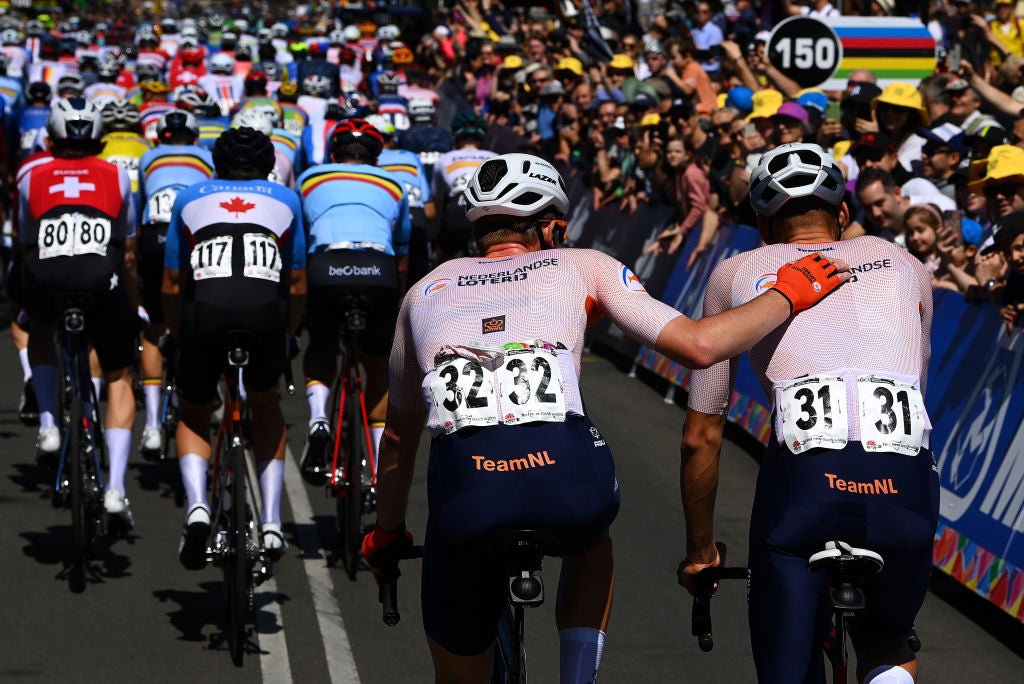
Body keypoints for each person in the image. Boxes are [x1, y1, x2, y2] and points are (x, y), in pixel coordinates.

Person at [360, 152, 849, 683]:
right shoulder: (583, 265)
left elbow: (400, 439)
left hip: (467, 491)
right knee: (590, 536)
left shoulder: (423, 292)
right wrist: (790, 292)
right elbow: (699, 346)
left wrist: (387, 532)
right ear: (555, 229)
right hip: (565, 477)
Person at [677, 143, 937, 684]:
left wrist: (702, 550)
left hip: (807, 490)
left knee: (785, 670)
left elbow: (702, 433)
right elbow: (916, 381)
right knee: (888, 639)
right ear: (842, 213)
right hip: (904, 484)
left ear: (763, 225)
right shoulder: (907, 266)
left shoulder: (735, 273)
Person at [163, 127, 306, 568]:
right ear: (268, 166)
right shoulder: (286, 199)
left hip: (205, 312)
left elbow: (172, 281)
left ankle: (197, 507)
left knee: (195, 409)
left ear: (215, 163)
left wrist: (175, 333)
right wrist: (290, 331)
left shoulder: (189, 197)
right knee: (265, 403)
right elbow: (297, 281)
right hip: (264, 313)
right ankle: (271, 522)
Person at [13, 97, 139, 528]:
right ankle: (117, 491)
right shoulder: (117, 175)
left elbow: (24, 241)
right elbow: (126, 248)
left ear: (51, 138)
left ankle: (49, 425)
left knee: (39, 330)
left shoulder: (31, 174)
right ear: (99, 141)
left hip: (46, 271)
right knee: (121, 373)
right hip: (99, 272)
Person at [295, 118, 409, 485]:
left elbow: (298, 237)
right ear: (376, 156)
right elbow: (403, 249)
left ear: (333, 152)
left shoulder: (309, 178)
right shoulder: (393, 183)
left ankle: (318, 418)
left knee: (322, 347)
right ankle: (379, 469)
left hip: (326, 263)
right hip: (378, 268)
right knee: (377, 366)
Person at [136, 110, 214, 456]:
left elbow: (139, 207)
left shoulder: (148, 157)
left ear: (159, 138)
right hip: (194, 232)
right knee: (203, 316)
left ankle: (152, 424)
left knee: (155, 326)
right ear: (195, 139)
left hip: (155, 233)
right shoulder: (208, 157)